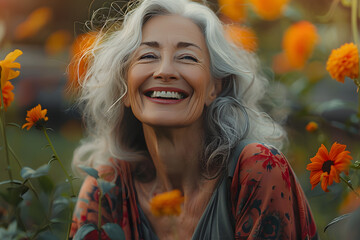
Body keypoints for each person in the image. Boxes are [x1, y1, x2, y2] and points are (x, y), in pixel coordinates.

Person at [69, 0, 318, 239]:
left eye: (187, 57)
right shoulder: (106, 189)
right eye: (148, 56)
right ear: (125, 88)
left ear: (214, 87)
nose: (165, 71)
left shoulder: (259, 169)